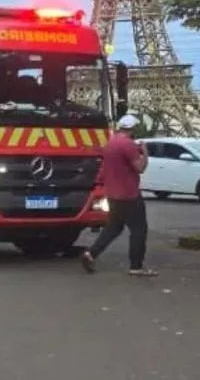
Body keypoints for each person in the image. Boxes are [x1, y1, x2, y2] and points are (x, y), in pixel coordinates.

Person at [81, 114, 158, 277]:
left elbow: (104, 170)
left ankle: (91, 253)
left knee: (113, 227)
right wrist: (145, 153)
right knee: (139, 230)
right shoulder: (128, 145)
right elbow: (140, 168)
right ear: (132, 129)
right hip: (129, 194)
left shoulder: (111, 142)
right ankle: (136, 266)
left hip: (113, 193)